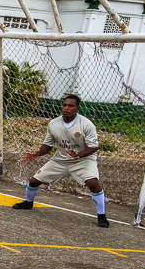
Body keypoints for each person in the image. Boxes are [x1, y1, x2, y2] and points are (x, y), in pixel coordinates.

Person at [11, 94, 110, 228]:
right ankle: (28, 203)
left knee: (93, 183)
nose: (66, 108)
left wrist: (78, 155)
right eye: (64, 105)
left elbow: (94, 146)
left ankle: (102, 216)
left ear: (77, 108)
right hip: (60, 160)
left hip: (83, 160)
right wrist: (38, 153)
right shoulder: (54, 124)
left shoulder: (86, 124)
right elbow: (48, 144)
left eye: (71, 106)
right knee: (34, 181)